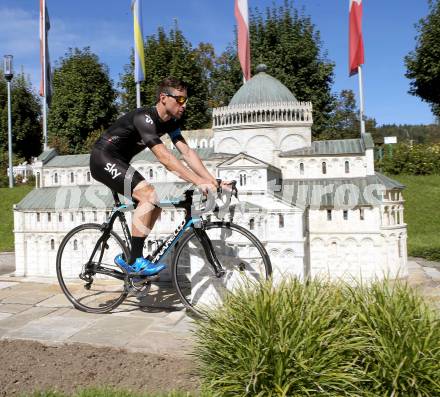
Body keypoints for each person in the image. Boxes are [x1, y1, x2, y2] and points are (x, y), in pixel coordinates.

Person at [90, 77, 218, 276]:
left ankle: (132, 257)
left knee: (155, 204)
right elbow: (165, 158)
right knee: (148, 194)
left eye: (186, 100)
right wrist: (197, 181)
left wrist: (211, 180)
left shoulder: (171, 123)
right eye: (180, 100)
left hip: (120, 162)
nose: (184, 105)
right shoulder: (145, 118)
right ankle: (135, 261)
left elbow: (187, 153)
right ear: (163, 98)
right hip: (103, 158)